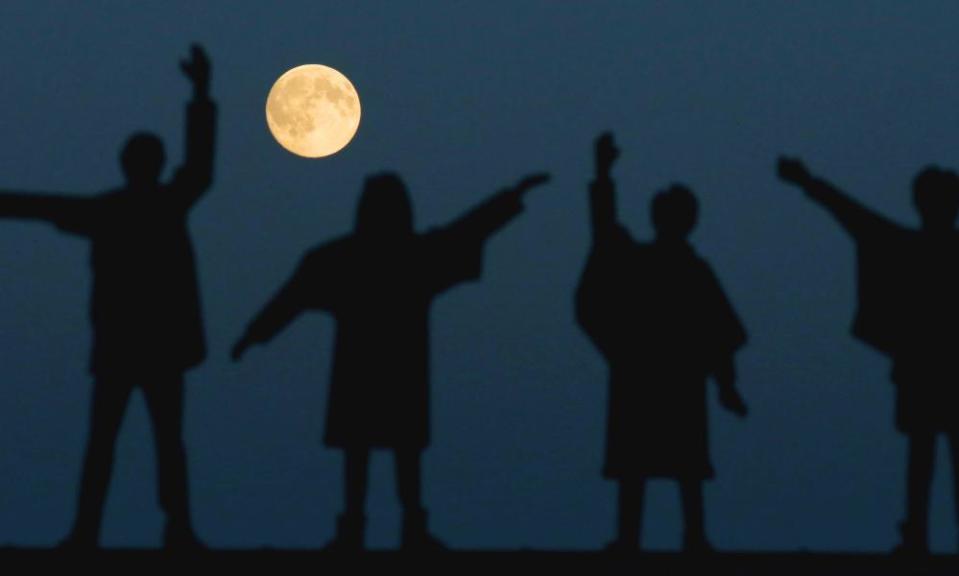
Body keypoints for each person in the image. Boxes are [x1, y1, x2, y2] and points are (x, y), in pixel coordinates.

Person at [232, 170, 550, 550]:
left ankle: (370, 529)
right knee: (388, 450)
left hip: (372, 368)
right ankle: (391, 529)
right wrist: (253, 333)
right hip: (392, 368)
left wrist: (253, 334)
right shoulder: (408, 256)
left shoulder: (347, 257)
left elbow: (290, 298)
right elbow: (465, 233)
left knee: (379, 450)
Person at [0, 45, 215, 548]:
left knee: (126, 443)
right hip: (138, 346)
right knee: (143, 443)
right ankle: (130, 530)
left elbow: (200, 167)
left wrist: (202, 95)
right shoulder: (144, 208)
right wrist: (201, 93)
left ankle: (116, 530)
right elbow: (36, 206)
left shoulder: (128, 210)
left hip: (141, 345)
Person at [576, 133, 748, 552]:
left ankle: (672, 537)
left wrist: (726, 384)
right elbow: (720, 335)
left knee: (671, 464)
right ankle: (667, 537)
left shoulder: (666, 266)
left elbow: (718, 332)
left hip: (663, 378)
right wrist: (601, 176)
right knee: (657, 464)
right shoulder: (670, 266)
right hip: (661, 377)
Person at [778, 157, 959, 555]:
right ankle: (915, 535)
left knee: (921, 458)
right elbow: (855, 217)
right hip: (937, 371)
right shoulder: (918, 249)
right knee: (924, 456)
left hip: (923, 370)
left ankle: (915, 535)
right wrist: (809, 182)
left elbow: (855, 218)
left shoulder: (906, 248)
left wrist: (809, 182)